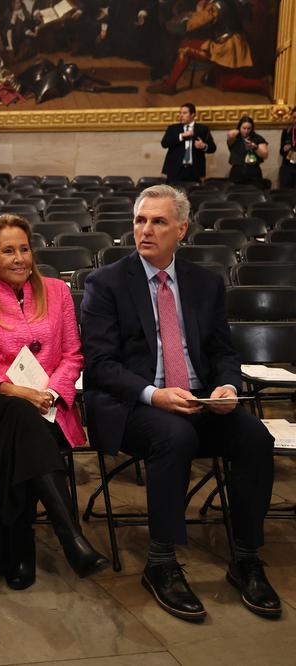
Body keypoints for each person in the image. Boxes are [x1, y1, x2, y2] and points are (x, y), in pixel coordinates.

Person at [81, 185, 279, 622]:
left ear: (182, 229)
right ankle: (161, 561)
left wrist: (226, 388)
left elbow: (224, 352)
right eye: (140, 220)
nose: (145, 229)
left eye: (158, 221)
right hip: (132, 403)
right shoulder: (106, 282)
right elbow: (99, 365)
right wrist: (155, 395)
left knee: (253, 437)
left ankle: (246, 556)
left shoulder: (205, 283)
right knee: (173, 435)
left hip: (198, 398)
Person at [0, 215, 109, 590]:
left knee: (19, 441)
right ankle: (71, 536)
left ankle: (20, 547)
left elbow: (74, 355)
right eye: (8, 251)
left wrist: (53, 393)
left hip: (50, 403)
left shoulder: (57, 291)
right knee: (17, 415)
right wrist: (19, 392)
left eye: (24, 249)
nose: (19, 258)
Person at [146, 0, 270, 98]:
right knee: (223, 82)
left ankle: (169, 86)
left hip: (226, 46)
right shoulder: (227, 2)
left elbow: (194, 24)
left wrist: (178, 24)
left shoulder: (215, 6)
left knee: (185, 47)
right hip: (234, 42)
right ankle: (260, 84)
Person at [159, 103, 216, 185]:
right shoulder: (173, 128)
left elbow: (212, 148)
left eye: (184, 113)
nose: (181, 115)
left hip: (194, 170)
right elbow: (164, 143)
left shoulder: (202, 129)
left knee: (193, 194)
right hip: (175, 169)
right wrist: (181, 136)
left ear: (192, 114)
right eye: (180, 113)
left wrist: (203, 146)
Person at [226, 116, 269, 187]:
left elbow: (265, 155)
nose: (246, 131)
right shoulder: (234, 138)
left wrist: (255, 147)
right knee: (235, 194)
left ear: (252, 129)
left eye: (249, 128)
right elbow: (230, 134)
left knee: (255, 194)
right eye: (244, 128)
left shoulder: (257, 138)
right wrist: (239, 131)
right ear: (239, 127)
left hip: (253, 171)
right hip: (237, 171)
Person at [280, 108, 296, 189]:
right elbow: (281, 152)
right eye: (294, 118)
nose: (295, 120)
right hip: (287, 167)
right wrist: (284, 149)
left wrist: (292, 147)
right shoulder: (286, 131)